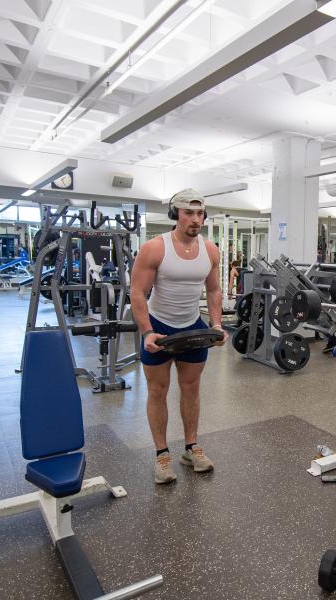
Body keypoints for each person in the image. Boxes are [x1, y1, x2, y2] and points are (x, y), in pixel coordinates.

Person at [130, 189, 228, 485]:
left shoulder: (210, 250)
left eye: (200, 214)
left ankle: (191, 447)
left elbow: (213, 290)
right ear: (176, 214)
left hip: (192, 326)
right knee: (158, 391)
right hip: (159, 328)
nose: (195, 219)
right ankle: (162, 455)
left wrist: (217, 324)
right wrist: (147, 331)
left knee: (191, 388)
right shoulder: (154, 248)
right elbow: (137, 291)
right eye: (189, 212)